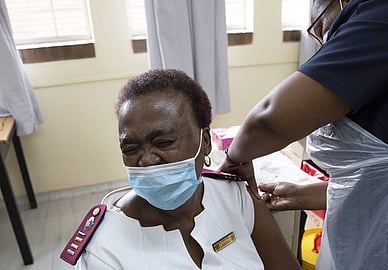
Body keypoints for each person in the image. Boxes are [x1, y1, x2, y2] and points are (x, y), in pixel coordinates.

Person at [219, 0, 388, 269]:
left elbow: (270, 119)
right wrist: (306, 195)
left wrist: (235, 158)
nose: (328, 42)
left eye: (321, 28)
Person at [61, 69, 301, 269]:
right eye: (130, 149)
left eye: (164, 142)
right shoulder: (104, 250)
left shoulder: (234, 197)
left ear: (205, 141)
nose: (146, 160)